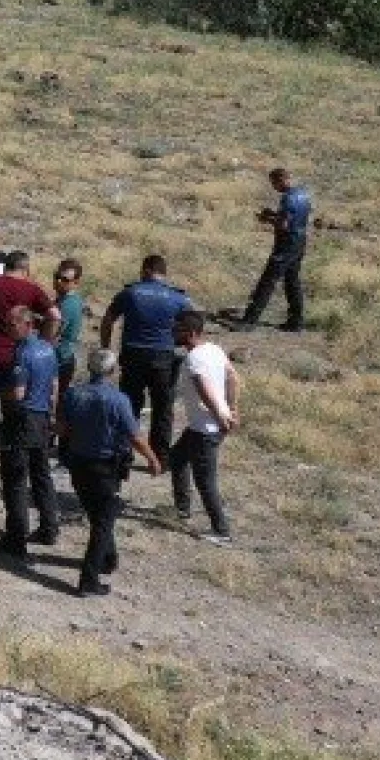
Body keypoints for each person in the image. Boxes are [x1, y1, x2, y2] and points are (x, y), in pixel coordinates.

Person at [59, 348, 162, 597]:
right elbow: (134, 435)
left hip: (79, 464)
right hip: (105, 468)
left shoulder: (73, 394)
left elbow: (62, 428)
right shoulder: (118, 400)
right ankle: (89, 579)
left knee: (99, 514)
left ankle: (108, 558)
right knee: (103, 523)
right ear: (113, 371)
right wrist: (152, 458)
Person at [99, 255, 193, 466]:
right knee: (162, 407)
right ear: (163, 273)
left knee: (129, 405)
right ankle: (160, 456)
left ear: (146, 270)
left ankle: (124, 453)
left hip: (133, 354)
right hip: (163, 357)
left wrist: (106, 348)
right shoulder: (177, 298)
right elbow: (193, 323)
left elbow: (108, 318)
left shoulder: (130, 292)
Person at [0, 305, 61, 558]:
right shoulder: (48, 349)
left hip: (22, 419)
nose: (8, 329)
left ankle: (15, 538)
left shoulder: (23, 354)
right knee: (41, 474)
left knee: (15, 480)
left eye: (12, 324)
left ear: (28, 324)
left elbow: (18, 393)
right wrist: (52, 416)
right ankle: (49, 528)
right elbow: (54, 386)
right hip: (41, 418)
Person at [0, 250, 61, 444]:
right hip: (19, 353)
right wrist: (45, 340)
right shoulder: (31, 289)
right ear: (25, 268)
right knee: (17, 402)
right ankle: (13, 445)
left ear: (5, 266)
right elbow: (55, 315)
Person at [169, 310, 240, 545]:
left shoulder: (194, 359)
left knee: (206, 481)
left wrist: (221, 415)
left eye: (177, 330)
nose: (172, 333)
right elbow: (233, 377)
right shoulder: (215, 349)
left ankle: (222, 531)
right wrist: (232, 409)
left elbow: (205, 389)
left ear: (190, 333)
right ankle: (182, 508)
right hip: (204, 425)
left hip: (206, 429)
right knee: (177, 459)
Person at [237, 168, 311, 332]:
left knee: (268, 281)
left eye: (273, 183)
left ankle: (249, 321)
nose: (274, 187)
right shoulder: (303, 194)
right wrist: (275, 215)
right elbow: (294, 218)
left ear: (280, 180)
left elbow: (283, 225)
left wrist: (267, 218)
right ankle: (296, 321)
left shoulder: (288, 198)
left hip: (286, 243)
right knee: (292, 281)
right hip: (300, 241)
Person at [51, 259, 85, 394]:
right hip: (62, 358)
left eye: (65, 279)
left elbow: (52, 335)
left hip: (60, 360)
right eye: (57, 277)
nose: (59, 281)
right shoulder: (64, 299)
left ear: (76, 282)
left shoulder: (68, 304)